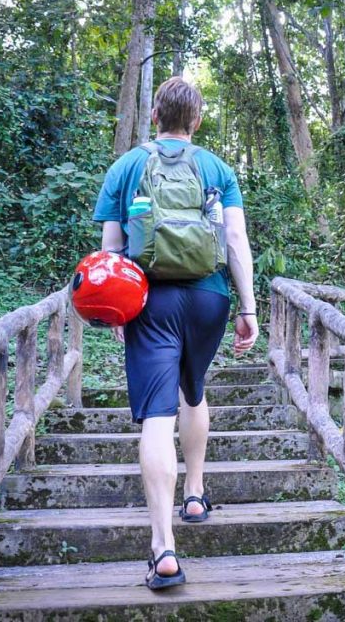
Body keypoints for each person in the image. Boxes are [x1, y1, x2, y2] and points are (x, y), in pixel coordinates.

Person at [92, 76, 258, 590]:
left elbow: (111, 250)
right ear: (197, 121)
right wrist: (248, 307)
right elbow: (235, 238)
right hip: (209, 298)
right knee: (194, 388)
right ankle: (195, 491)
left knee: (157, 416)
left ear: (154, 116)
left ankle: (163, 548)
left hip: (149, 299)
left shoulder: (126, 167)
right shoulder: (216, 168)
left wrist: (117, 313)